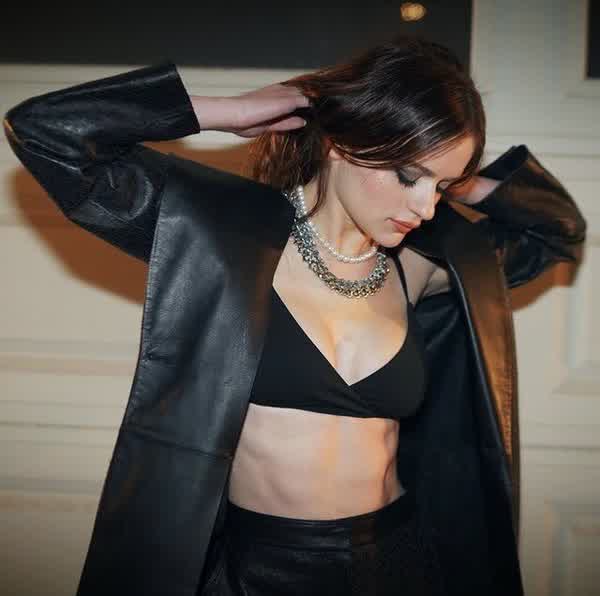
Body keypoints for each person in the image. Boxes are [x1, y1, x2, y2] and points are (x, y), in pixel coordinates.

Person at [3, 34, 586, 596]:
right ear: (340, 144)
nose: (424, 206)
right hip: (262, 568)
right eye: (409, 175)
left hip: (399, 556)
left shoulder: (419, 266)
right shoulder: (222, 237)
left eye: (441, 187)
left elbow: (558, 230)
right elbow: (45, 132)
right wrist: (224, 112)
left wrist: (457, 179)